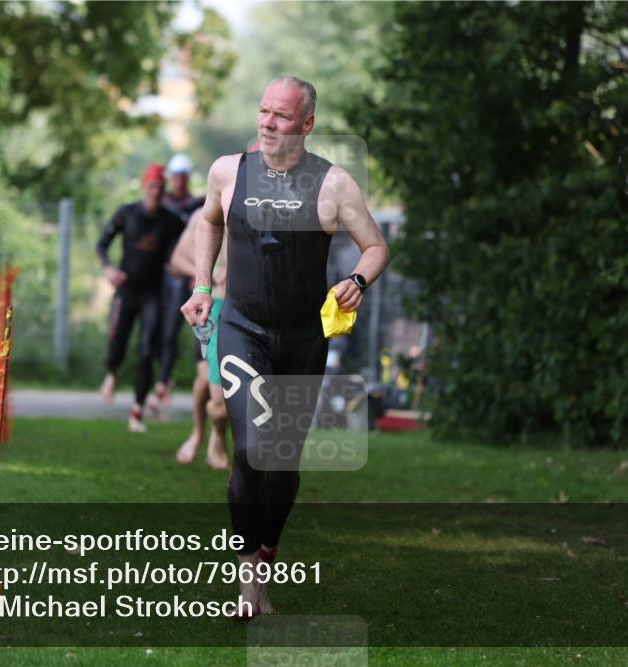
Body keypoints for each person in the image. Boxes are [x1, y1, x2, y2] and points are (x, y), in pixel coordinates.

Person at [180, 76, 390, 617]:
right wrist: (202, 287)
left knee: (283, 461)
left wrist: (358, 281)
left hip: (302, 340)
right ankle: (249, 581)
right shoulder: (228, 171)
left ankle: (268, 550)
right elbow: (208, 222)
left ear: (307, 124)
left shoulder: (334, 184)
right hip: (241, 329)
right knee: (251, 449)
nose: (268, 123)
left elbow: (375, 247)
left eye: (282, 115)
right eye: (264, 111)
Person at [97, 163, 185, 433]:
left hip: (153, 295)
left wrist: (179, 263)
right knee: (118, 344)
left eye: (160, 188)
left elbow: (193, 236)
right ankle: (112, 372)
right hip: (126, 290)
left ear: (164, 190)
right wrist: (108, 268)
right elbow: (102, 244)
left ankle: (137, 411)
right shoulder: (127, 213)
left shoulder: (170, 220)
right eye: (152, 187)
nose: (156, 192)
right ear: (145, 187)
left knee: (147, 351)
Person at [168, 207, 230, 469]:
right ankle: (199, 433)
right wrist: (207, 273)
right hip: (211, 308)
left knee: (217, 388)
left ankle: (216, 436)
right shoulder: (202, 215)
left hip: (243, 307)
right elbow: (177, 259)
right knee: (206, 382)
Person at [147, 154, 207, 411]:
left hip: (185, 276)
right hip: (163, 275)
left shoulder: (197, 205)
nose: (179, 181)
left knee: (174, 330)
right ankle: (164, 378)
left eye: (183, 177)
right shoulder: (164, 205)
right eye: (175, 177)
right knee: (157, 330)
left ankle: (164, 383)